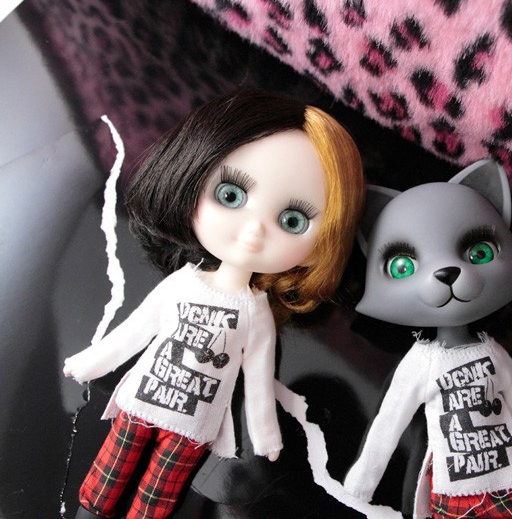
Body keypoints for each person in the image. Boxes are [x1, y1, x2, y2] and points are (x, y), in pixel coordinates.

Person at [63, 90, 364, 519]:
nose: (253, 231)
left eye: (292, 221)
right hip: (145, 397)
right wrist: (90, 363)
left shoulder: (255, 311)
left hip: (194, 422)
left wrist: (264, 435)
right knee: (105, 481)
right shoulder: (184, 284)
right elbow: (135, 331)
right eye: (231, 195)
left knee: (156, 501)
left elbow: (258, 377)